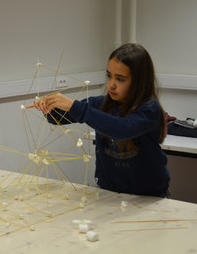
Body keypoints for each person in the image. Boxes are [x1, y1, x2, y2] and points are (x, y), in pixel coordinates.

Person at [28, 43, 170, 197]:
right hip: (108, 193)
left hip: (148, 196)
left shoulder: (149, 110)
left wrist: (75, 107)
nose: (112, 84)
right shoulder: (100, 104)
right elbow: (59, 118)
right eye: (109, 75)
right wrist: (49, 108)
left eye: (120, 79)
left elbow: (123, 129)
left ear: (139, 81)